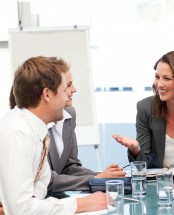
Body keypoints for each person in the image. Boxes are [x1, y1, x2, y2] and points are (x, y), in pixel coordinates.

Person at [0, 56, 107, 214]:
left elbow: (40, 190)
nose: (68, 96)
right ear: (47, 94)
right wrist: (80, 204)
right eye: (65, 90)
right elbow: (21, 209)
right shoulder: (17, 132)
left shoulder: (37, 130)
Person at [45, 58, 125, 194]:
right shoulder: (35, 124)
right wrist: (96, 180)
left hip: (55, 196)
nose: (74, 89)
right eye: (68, 85)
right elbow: (47, 180)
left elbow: (69, 167)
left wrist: (103, 176)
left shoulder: (69, 114)